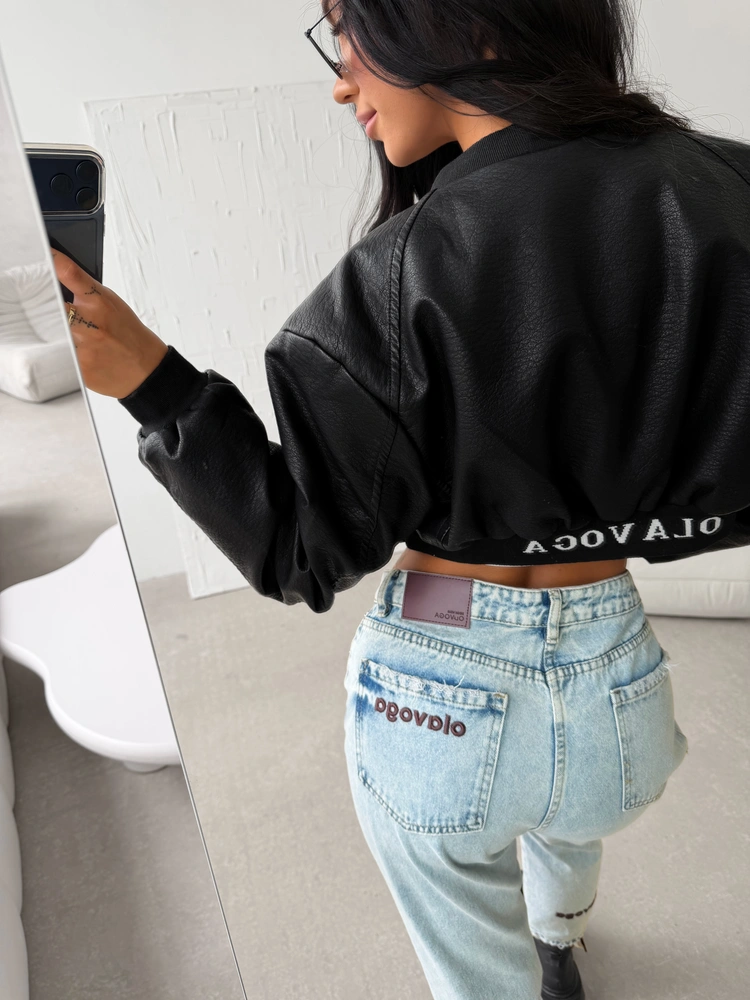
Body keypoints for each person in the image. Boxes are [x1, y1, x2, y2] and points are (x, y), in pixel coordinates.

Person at [51, 2, 750, 997]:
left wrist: (154, 385)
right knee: (568, 827)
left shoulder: (392, 278)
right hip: (623, 702)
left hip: (440, 697)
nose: (342, 79)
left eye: (347, 28)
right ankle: (560, 940)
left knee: (472, 958)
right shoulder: (732, 188)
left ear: (465, 20)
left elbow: (299, 552)